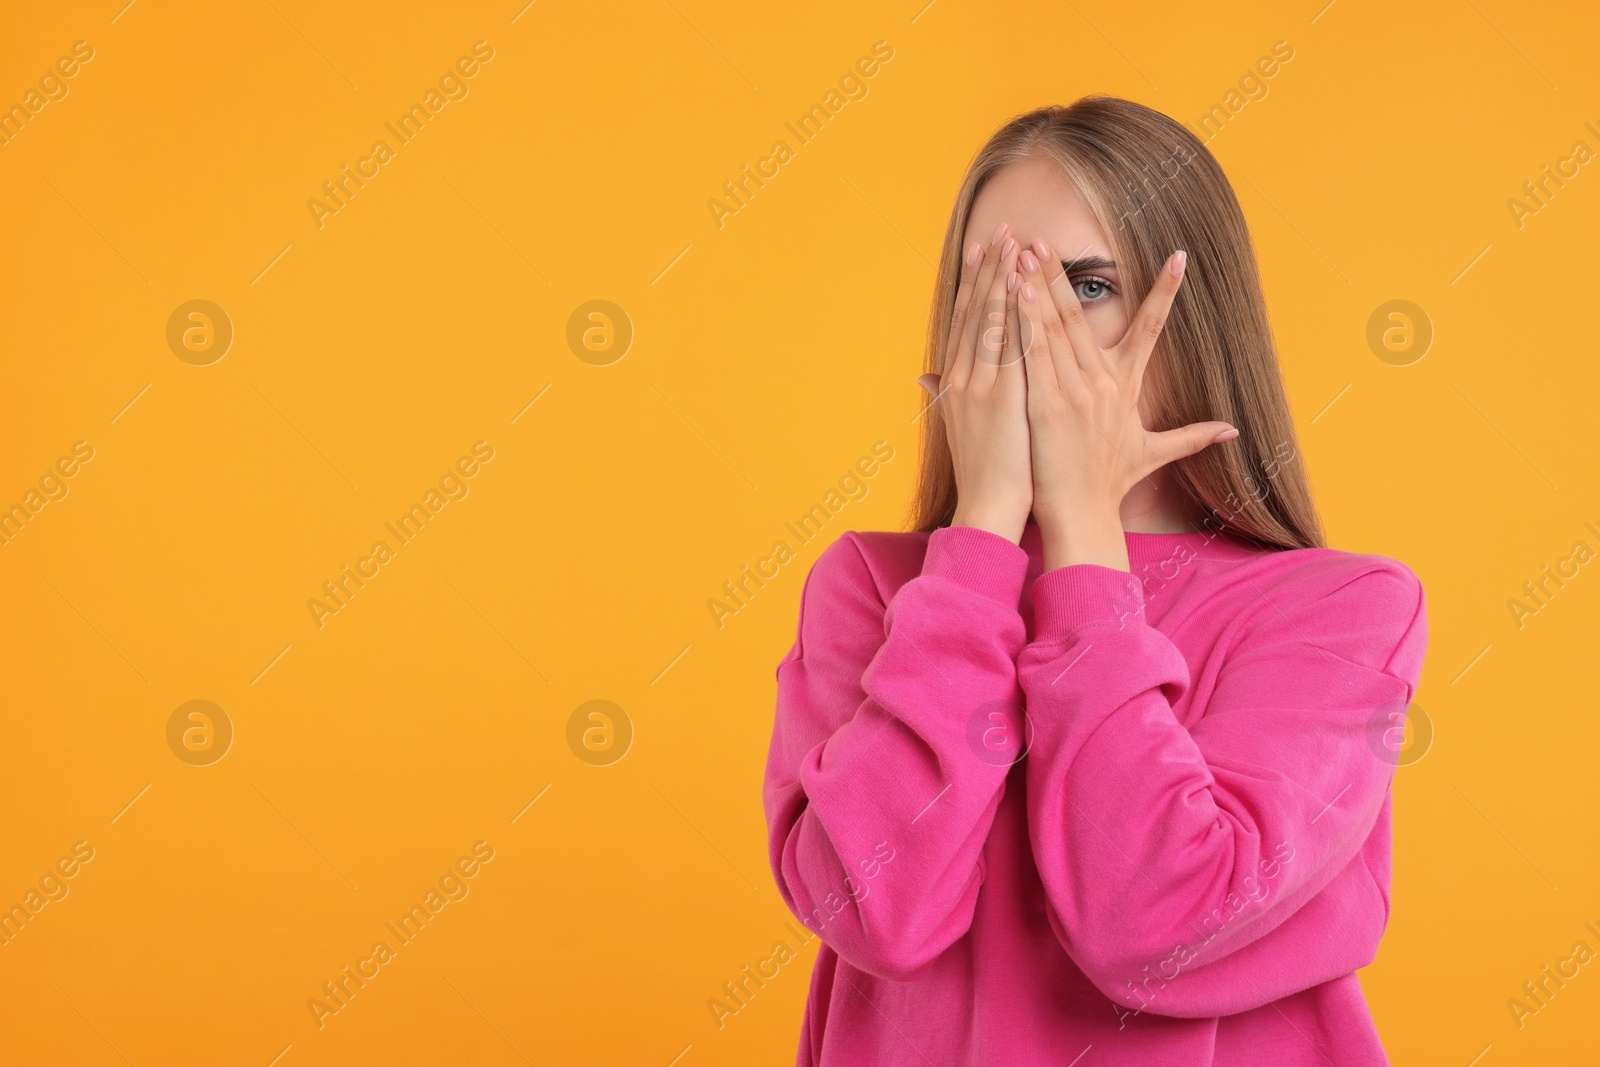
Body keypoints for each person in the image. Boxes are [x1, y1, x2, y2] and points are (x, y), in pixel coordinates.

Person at [761, 97, 1427, 1066]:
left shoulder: (1342, 607)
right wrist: (983, 530)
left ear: (1188, 319)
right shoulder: (872, 586)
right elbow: (873, 910)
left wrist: (1080, 534)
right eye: (989, 286)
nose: (1028, 328)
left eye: (1083, 283)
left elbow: (1155, 925)